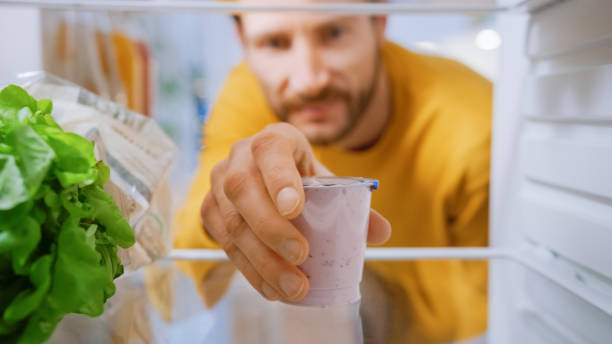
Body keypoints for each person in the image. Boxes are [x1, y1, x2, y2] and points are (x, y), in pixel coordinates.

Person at [174, 0, 492, 342]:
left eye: (334, 33)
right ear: (242, 38)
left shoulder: (474, 127)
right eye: (275, 43)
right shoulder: (248, 90)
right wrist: (225, 214)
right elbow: (188, 259)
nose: (309, 81)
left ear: (379, 23)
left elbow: (505, 309)